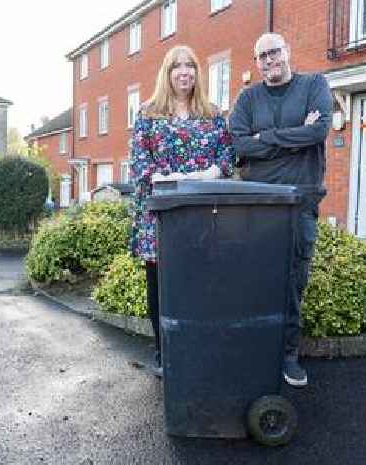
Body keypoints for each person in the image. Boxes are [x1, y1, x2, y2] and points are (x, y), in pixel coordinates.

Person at [229, 33, 332, 388]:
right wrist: (292, 135)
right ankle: (254, 349)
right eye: (262, 56)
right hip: (256, 204)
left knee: (292, 282)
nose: (269, 60)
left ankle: (288, 355)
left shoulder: (314, 84)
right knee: (252, 279)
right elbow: (239, 144)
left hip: (300, 202)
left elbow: (318, 131)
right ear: (256, 63)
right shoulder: (247, 97)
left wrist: (266, 139)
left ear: (287, 51)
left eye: (274, 52)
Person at [130, 45, 235, 377]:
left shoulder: (214, 114)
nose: (184, 71)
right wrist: (163, 178)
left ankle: (200, 349)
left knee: (202, 285)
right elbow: (139, 163)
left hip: (203, 215)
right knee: (160, 286)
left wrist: (206, 174)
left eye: (190, 65)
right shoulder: (148, 114)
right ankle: (164, 352)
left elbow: (226, 158)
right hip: (161, 216)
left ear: (197, 72)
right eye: (177, 66)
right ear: (167, 72)